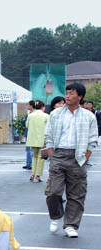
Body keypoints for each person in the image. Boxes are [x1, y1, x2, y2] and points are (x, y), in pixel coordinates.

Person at [44, 82, 98, 238]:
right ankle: (55, 216)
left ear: (80, 97)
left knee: (76, 194)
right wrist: (51, 151)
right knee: (53, 191)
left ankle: (71, 225)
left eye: (71, 93)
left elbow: (93, 139)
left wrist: (86, 157)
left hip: (78, 156)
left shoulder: (88, 116)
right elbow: (48, 134)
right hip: (58, 154)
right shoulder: (55, 114)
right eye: (66, 93)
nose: (67, 96)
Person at [25, 100, 49, 183]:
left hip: (32, 139)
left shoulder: (30, 115)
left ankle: (32, 173)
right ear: (42, 107)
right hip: (42, 139)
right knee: (41, 157)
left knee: (34, 156)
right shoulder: (46, 116)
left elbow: (27, 125)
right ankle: (38, 175)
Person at [22, 100, 35, 170]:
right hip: (28, 133)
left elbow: (25, 123)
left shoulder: (33, 114)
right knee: (28, 149)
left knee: (30, 150)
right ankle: (28, 164)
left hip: (32, 133)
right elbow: (23, 123)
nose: (27, 106)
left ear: (31, 106)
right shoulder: (28, 114)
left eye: (28, 105)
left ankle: (30, 164)